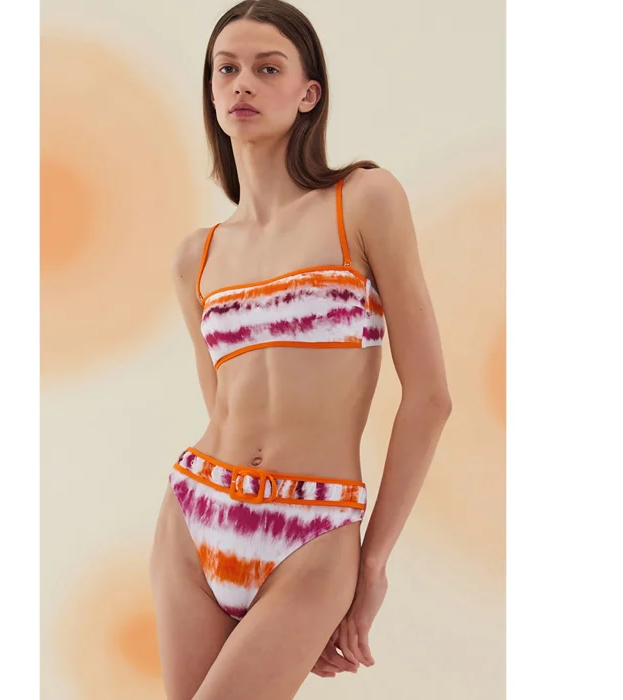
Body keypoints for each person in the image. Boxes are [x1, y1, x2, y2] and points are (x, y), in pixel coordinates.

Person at [149, 1, 452, 698]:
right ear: (211, 91)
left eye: (267, 68)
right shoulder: (196, 256)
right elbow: (223, 406)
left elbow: (431, 398)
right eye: (226, 69)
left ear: (308, 93)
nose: (242, 84)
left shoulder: (364, 200)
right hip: (196, 513)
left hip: (315, 532)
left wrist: (369, 565)